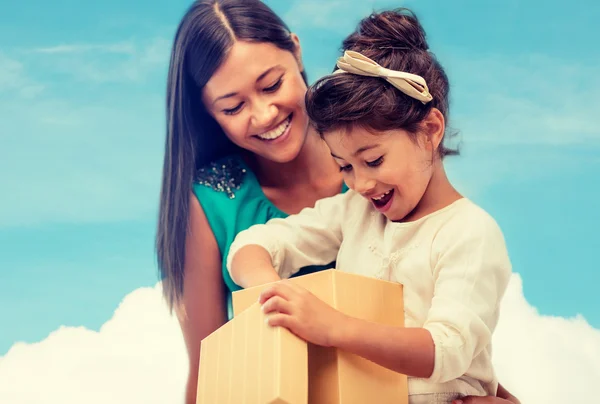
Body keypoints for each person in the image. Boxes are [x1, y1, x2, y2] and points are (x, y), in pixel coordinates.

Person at [156, 1, 520, 403]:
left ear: (296, 51)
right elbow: (211, 370)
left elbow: (451, 348)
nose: (263, 115)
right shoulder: (353, 208)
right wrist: (278, 295)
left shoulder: (395, 196)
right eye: (233, 106)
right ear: (208, 112)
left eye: (271, 85)